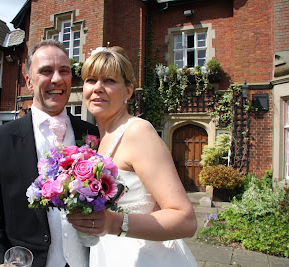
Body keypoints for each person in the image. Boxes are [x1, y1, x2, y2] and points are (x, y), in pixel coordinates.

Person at [0, 39, 99, 267]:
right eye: (46, 71)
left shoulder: (93, 135)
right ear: (29, 82)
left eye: (64, 71)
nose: (57, 79)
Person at [67, 46, 198, 266]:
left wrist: (113, 223)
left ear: (128, 91)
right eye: (91, 80)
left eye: (109, 80)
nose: (98, 88)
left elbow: (186, 220)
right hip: (109, 255)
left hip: (143, 257)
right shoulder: (98, 139)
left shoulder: (137, 132)